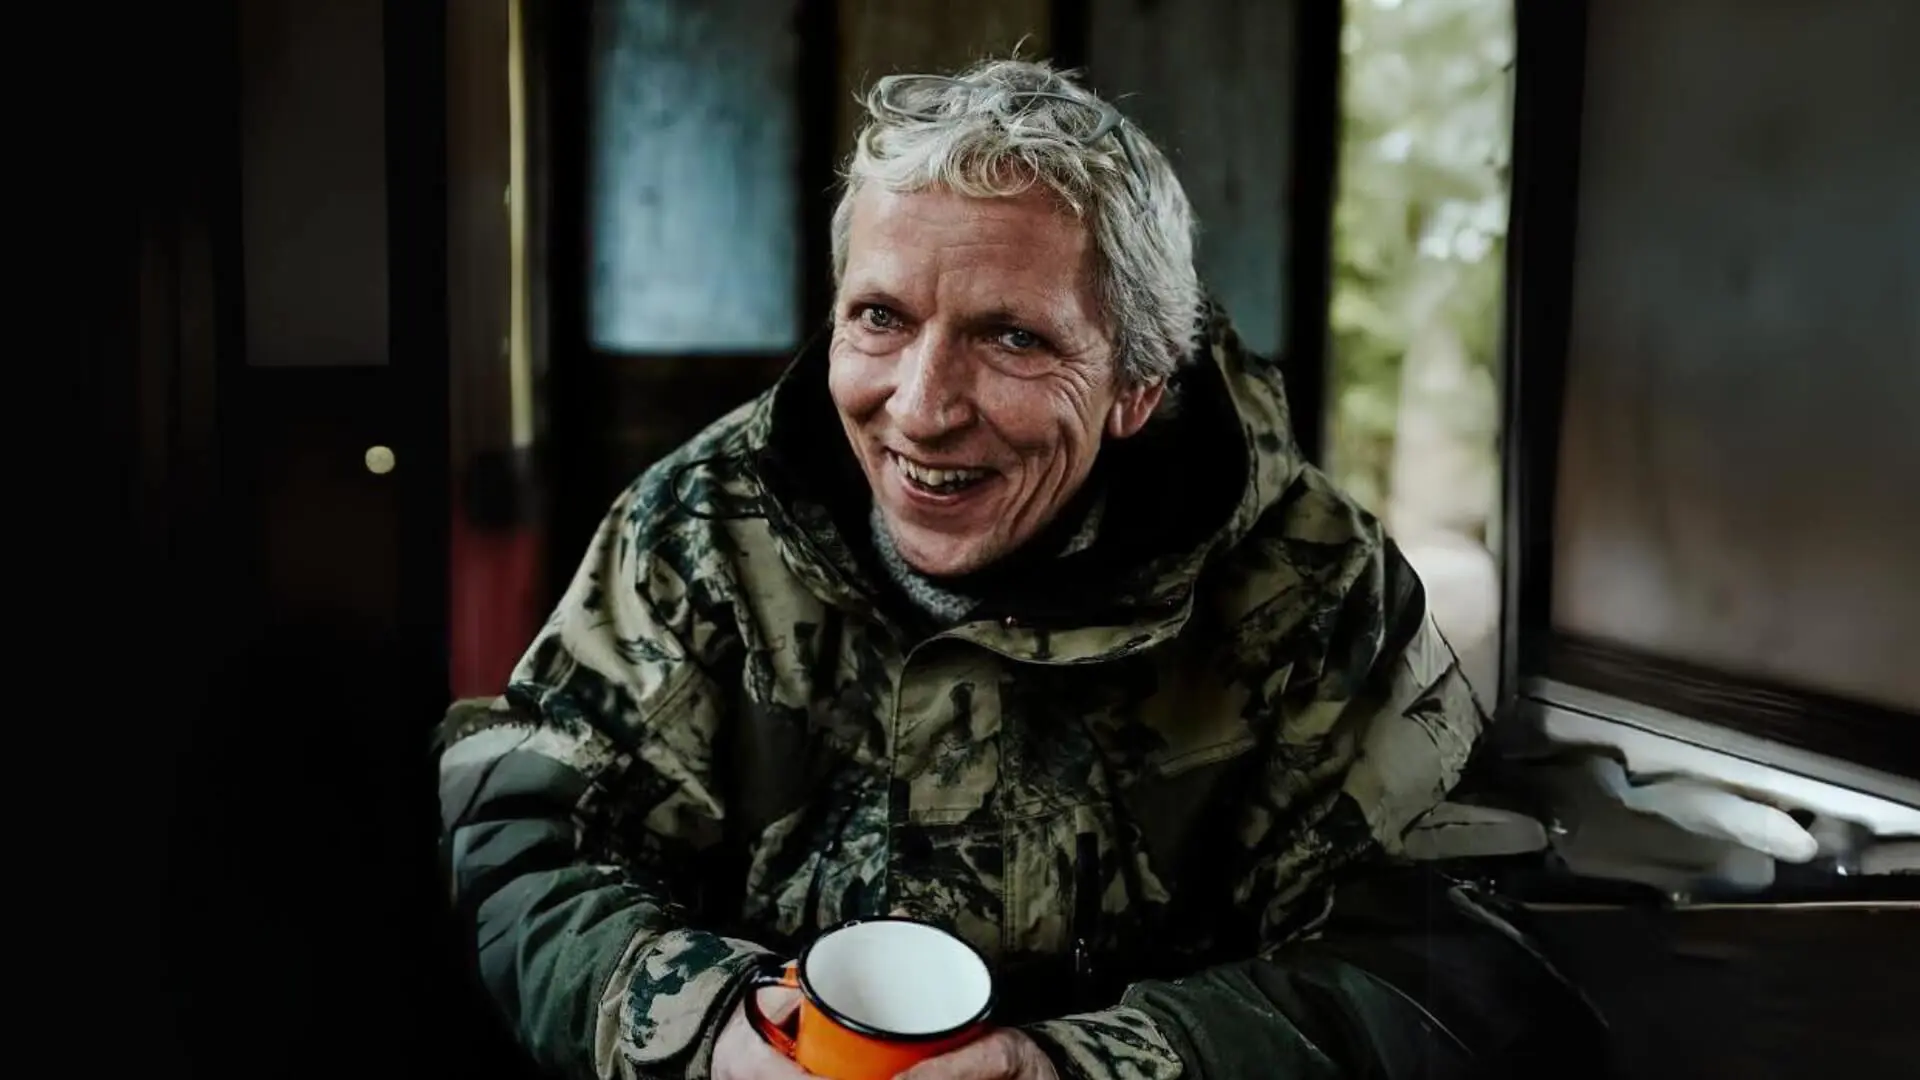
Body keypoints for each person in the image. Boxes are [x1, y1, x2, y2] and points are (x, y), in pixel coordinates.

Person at [436, 58, 1602, 1080]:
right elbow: (533, 840)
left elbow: (1450, 963)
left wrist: (1090, 1066)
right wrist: (703, 1028)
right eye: (880, 317)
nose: (922, 409)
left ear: (1137, 384)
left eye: (1012, 337)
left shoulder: (1316, 588)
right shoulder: (704, 526)